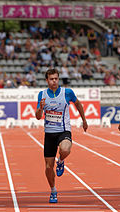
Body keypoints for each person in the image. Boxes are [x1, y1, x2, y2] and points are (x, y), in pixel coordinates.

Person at [35, 69, 88, 203]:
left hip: (64, 130)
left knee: (65, 149)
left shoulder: (67, 92)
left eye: (56, 78)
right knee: (48, 168)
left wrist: (84, 120)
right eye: (51, 79)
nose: (54, 81)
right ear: (47, 80)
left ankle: (61, 160)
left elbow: (78, 105)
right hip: (49, 133)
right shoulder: (42, 94)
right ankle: (53, 190)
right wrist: (40, 108)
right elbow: (37, 117)